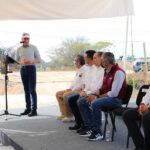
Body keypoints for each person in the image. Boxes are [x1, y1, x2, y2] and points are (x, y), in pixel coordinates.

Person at [78, 52, 127, 141]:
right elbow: (102, 88)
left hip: (116, 100)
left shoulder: (118, 72)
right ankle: (90, 127)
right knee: (83, 101)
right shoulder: (106, 71)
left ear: (106, 61)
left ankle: (98, 132)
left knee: (95, 102)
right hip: (107, 97)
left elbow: (114, 93)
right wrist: (94, 95)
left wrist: (97, 97)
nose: (100, 61)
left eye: (102, 59)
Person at [68, 50, 104, 131]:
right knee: (71, 99)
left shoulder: (100, 70)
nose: (84, 58)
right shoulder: (89, 69)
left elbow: (98, 86)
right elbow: (86, 83)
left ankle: (87, 125)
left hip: (95, 93)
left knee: (79, 101)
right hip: (87, 92)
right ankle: (80, 122)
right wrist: (83, 91)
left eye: (85, 57)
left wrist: (86, 92)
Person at [15, 33, 41, 117]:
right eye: (25, 38)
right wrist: (22, 62)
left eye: (27, 39)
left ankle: (34, 110)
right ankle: (28, 109)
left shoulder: (34, 47)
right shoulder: (18, 49)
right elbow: (16, 61)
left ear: (29, 39)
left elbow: (39, 60)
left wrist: (31, 61)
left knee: (32, 90)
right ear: (22, 39)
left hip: (31, 69)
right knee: (26, 90)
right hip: (23, 69)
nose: (26, 40)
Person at [56, 55, 87, 122]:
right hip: (74, 89)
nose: (74, 62)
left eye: (75, 61)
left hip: (80, 90)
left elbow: (82, 84)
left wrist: (72, 90)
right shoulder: (78, 70)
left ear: (78, 62)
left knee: (66, 95)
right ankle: (64, 114)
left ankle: (70, 116)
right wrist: (69, 88)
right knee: (58, 94)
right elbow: (74, 82)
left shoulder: (85, 70)